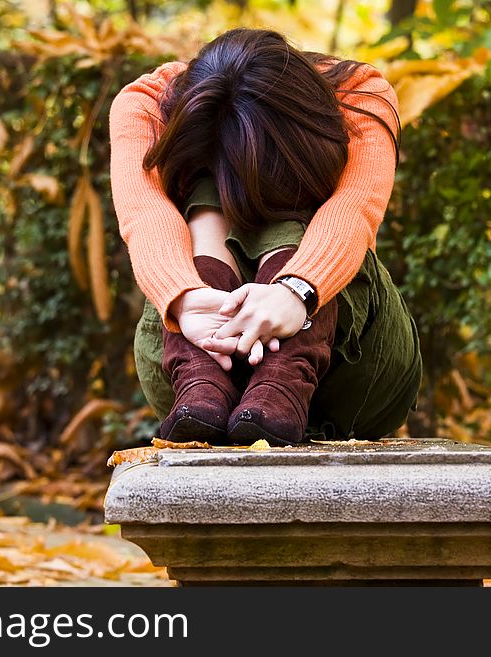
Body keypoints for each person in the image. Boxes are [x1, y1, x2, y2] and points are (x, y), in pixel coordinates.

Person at [108, 28, 422, 445]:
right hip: (195, 391)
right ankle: (202, 377)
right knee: (214, 187)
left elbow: (354, 208)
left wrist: (298, 291)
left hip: (355, 375)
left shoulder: (358, 93)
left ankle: (285, 379)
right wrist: (184, 297)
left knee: (279, 191)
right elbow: (144, 214)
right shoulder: (149, 104)